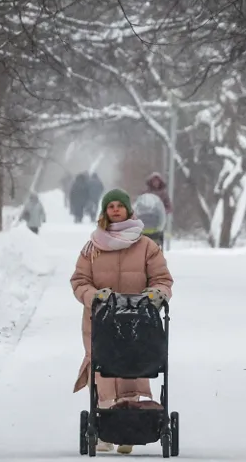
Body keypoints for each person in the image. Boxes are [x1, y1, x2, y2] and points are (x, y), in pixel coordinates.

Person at [70, 189, 174, 455]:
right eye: (111, 206)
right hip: (101, 320)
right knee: (104, 369)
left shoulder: (146, 246)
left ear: (129, 210)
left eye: (120, 206)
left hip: (138, 321)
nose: (115, 210)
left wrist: (157, 294)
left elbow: (163, 279)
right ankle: (104, 430)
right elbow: (79, 281)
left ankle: (130, 426)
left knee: (133, 366)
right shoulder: (91, 248)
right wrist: (94, 297)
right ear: (105, 212)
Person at [143, 172, 172, 245]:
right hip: (147, 219)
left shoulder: (163, 194)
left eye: (157, 181)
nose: (155, 183)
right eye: (154, 181)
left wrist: (163, 211)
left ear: (160, 182)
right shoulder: (146, 193)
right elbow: (141, 203)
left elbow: (169, 206)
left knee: (157, 237)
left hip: (159, 220)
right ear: (151, 182)